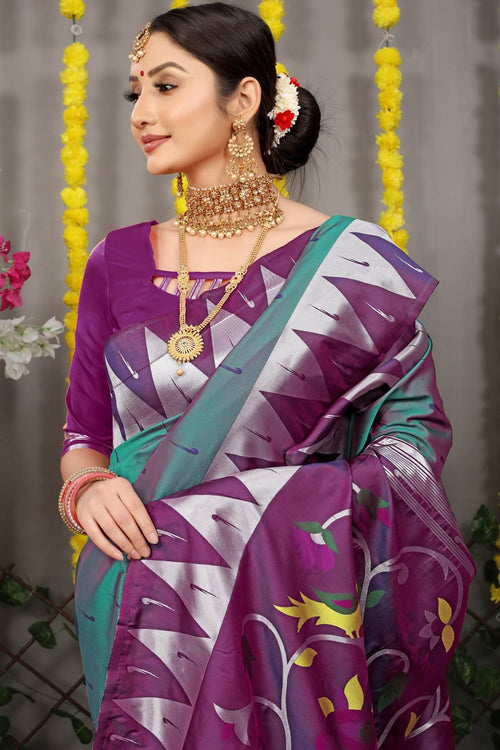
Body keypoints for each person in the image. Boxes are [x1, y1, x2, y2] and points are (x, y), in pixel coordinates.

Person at [59, 4, 474, 748]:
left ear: (244, 99)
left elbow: (411, 447)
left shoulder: (351, 265)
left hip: (292, 605)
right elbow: (83, 436)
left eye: (165, 86)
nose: (142, 113)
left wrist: (250, 511)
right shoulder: (114, 261)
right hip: (137, 595)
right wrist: (87, 487)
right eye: (135, 93)